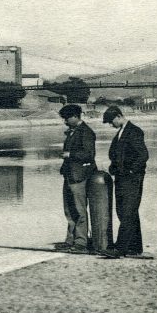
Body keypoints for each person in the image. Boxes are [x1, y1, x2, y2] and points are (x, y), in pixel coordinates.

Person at [100, 106, 149, 258]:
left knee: (127, 212)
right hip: (122, 179)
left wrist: (131, 171)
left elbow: (143, 155)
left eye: (111, 121)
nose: (110, 125)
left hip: (131, 179)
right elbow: (115, 154)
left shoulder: (134, 131)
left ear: (119, 116)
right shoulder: (121, 132)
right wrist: (114, 167)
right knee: (126, 212)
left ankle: (119, 249)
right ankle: (134, 247)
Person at [56, 104, 97, 254]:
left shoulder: (86, 132)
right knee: (69, 209)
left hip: (80, 176)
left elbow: (89, 155)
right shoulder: (73, 132)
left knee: (79, 210)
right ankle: (70, 240)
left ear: (75, 116)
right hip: (70, 175)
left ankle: (81, 242)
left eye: (66, 119)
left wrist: (70, 155)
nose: (65, 122)